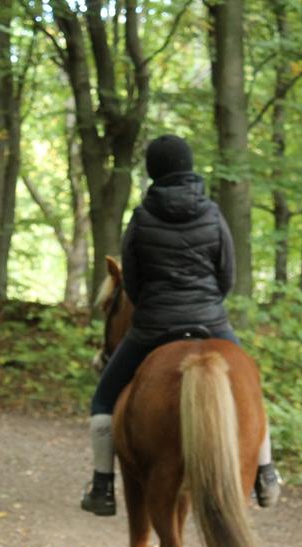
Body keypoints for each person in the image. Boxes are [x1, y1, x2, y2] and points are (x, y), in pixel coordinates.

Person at [80, 134, 281, 516]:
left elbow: (132, 283)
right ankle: (266, 475)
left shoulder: (141, 218)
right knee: (251, 390)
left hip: (153, 327)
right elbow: (227, 275)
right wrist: (207, 305)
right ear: (189, 168)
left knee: (104, 398)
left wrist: (155, 306)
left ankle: (102, 486)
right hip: (211, 321)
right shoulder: (213, 214)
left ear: (153, 171)